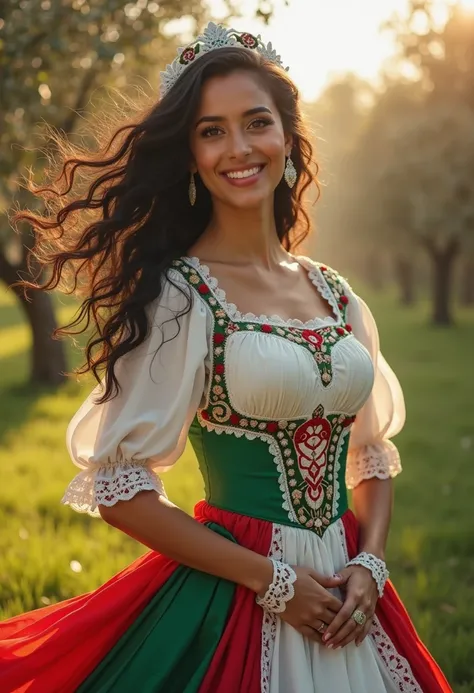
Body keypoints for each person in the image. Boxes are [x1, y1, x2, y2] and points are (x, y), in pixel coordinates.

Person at [0, 22, 453, 693]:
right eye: (211, 130)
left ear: (288, 137)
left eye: (255, 123)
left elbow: (372, 451)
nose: (237, 148)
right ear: (188, 155)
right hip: (239, 588)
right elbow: (121, 486)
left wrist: (372, 562)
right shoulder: (182, 298)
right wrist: (270, 580)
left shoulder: (338, 295)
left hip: (351, 597)